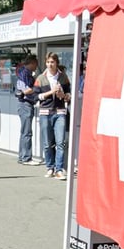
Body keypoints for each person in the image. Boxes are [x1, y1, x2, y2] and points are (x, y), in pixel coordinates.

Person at [34, 52, 71, 180]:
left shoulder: (63, 77)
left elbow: (68, 95)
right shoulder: (40, 78)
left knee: (60, 142)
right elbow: (35, 96)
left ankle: (59, 169)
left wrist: (64, 95)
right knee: (47, 143)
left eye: (52, 62)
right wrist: (51, 92)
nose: (50, 64)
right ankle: (50, 167)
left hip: (60, 112)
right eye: (48, 62)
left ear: (56, 63)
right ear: (46, 63)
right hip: (45, 113)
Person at [15, 54, 40, 165]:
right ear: (32, 63)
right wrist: (37, 88)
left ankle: (23, 156)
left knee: (24, 131)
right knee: (27, 132)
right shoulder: (24, 74)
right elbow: (25, 90)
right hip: (25, 104)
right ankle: (26, 157)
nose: (36, 67)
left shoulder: (24, 73)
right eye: (36, 64)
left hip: (25, 104)